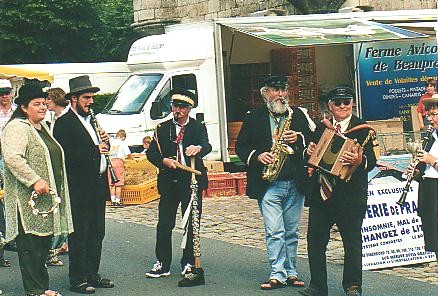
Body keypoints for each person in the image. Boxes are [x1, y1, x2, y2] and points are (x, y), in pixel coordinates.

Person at [236, 76, 315, 290]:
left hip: (294, 182)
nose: (280, 94)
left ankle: (291, 272)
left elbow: (313, 139)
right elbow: (241, 147)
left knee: (292, 232)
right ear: (265, 93)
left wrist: (299, 138)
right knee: (274, 231)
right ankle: (277, 273)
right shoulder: (254, 117)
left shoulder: (297, 114)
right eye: (275, 90)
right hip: (269, 183)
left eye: (283, 90)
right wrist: (257, 156)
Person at [301, 86, 378, 296]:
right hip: (322, 194)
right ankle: (317, 286)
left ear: (352, 103)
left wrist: (359, 160)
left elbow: (373, 160)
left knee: (352, 242)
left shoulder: (363, 129)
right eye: (338, 103)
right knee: (315, 241)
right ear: (330, 106)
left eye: (347, 102)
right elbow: (309, 156)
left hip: (350, 196)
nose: (343, 106)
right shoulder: (321, 127)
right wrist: (307, 153)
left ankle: (353, 286)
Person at [1, 83, 74, 296]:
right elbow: (13, 158)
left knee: (41, 245)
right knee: (31, 245)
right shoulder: (17, 127)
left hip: (44, 200)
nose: (42, 107)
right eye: (36, 104)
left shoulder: (42, 128)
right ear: (24, 107)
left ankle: (41, 288)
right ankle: (35, 291)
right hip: (27, 201)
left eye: (44, 103)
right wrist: (34, 180)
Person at [53, 75, 114, 294]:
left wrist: (106, 143)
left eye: (91, 98)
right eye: (86, 98)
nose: (91, 102)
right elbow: (65, 156)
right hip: (78, 188)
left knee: (97, 233)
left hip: (97, 185)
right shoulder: (63, 123)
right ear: (73, 99)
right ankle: (77, 278)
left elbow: (101, 148)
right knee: (79, 235)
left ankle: (92, 274)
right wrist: (95, 149)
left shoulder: (92, 121)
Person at [145, 87, 211, 287]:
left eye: (182, 107)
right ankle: (162, 263)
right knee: (164, 223)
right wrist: (164, 161)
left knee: (191, 223)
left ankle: (189, 263)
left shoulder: (197, 127)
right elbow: (151, 154)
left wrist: (198, 148)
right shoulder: (162, 128)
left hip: (191, 181)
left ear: (190, 108)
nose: (177, 110)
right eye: (175, 106)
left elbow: (206, 145)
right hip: (169, 181)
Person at [407, 94, 438, 258]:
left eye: (434, 115)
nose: (429, 119)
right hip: (430, 194)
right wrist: (415, 172)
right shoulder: (430, 138)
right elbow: (423, 169)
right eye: (428, 115)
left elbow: (430, 161)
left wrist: (432, 160)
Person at [0, 79, 15, 268]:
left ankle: (12, 237)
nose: (4, 96)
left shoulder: (18, 111)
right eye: (1, 93)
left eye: (6, 92)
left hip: (12, 157)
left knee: (12, 199)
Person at [108, 129, 132, 206]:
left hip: (110, 163)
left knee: (112, 184)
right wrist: (134, 159)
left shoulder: (111, 142)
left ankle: (113, 201)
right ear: (123, 137)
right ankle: (118, 201)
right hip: (118, 162)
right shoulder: (123, 143)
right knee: (118, 184)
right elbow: (128, 154)